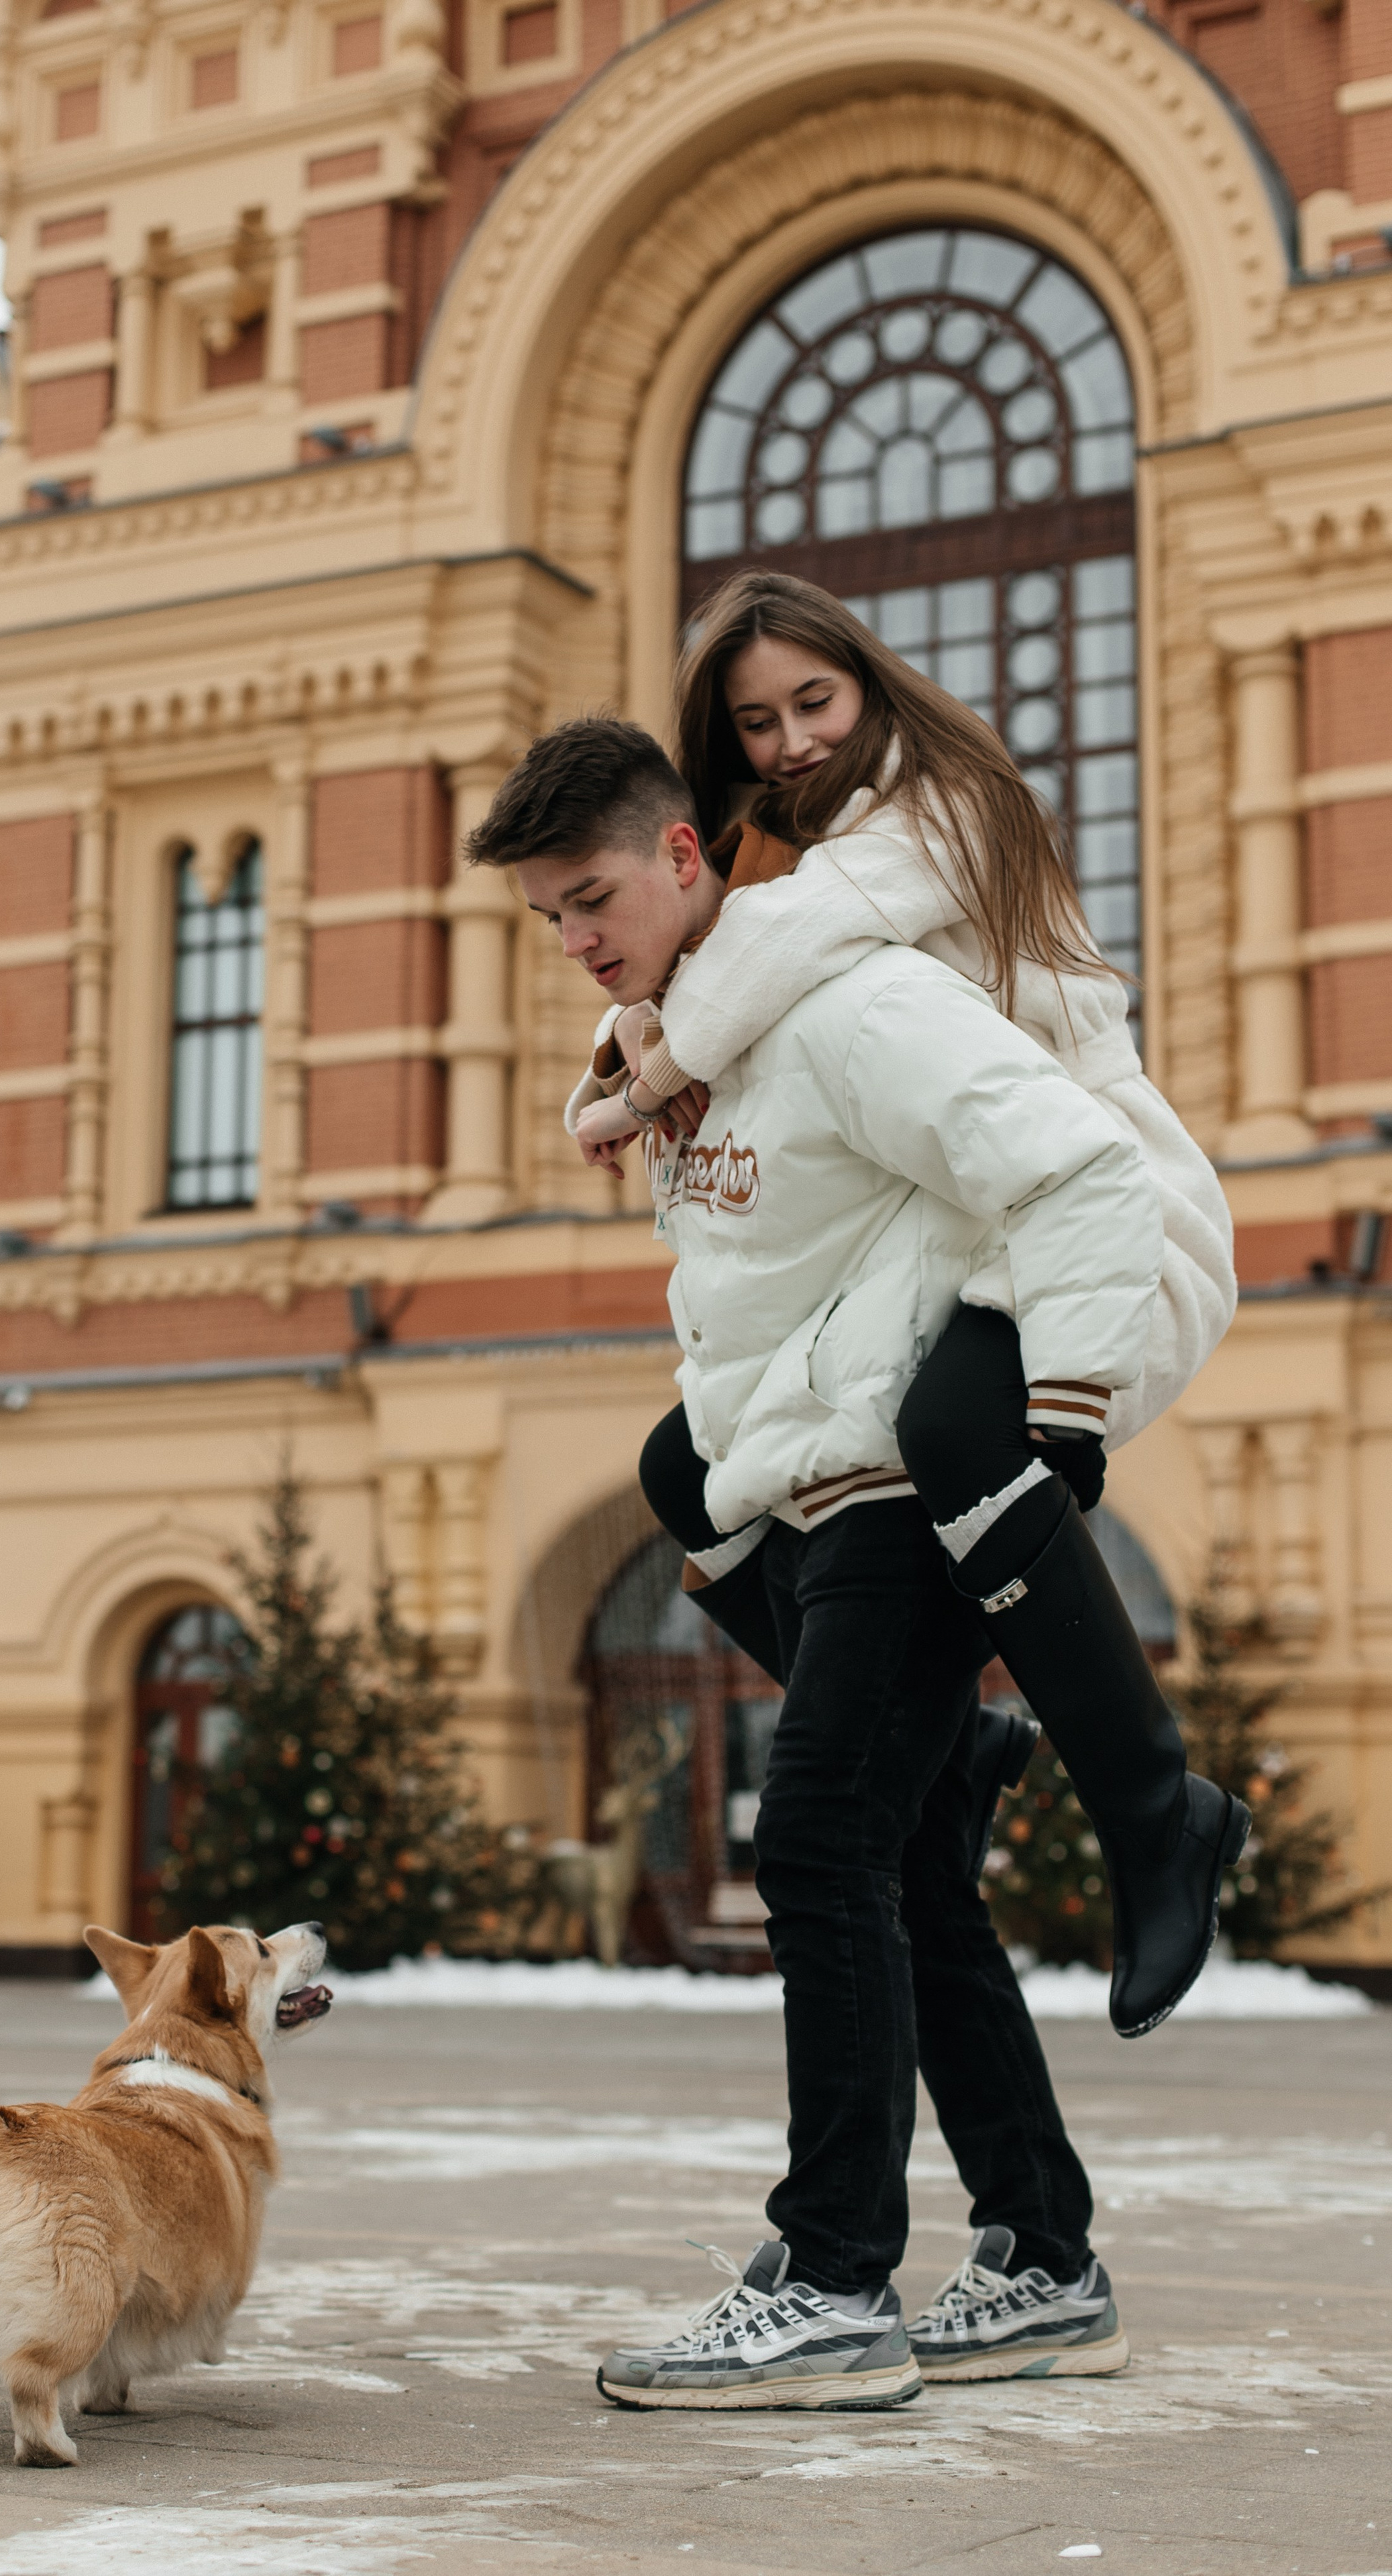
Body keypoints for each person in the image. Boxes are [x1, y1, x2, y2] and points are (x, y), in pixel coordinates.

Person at [466, 716, 1244, 2408]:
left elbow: (1079, 1170)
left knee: (817, 1838)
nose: (575, 938)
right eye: (547, 918)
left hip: (900, 1486)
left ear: (684, 853)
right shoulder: (693, 1052)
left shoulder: (850, 1008)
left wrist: (1055, 1421)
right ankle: (1040, 2257)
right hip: (816, 1484)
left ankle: (829, 2281)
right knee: (902, 1864)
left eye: (592, 897)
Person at [566, 570, 1239, 2043]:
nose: (792, 740)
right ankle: (957, 1747)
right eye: (756, 723)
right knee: (685, 1469)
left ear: (870, 682)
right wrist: (636, 1061)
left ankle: (1154, 1812)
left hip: (1094, 1199)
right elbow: (703, 966)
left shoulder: (943, 813)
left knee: (955, 1432)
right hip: (959, 1230)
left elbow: (764, 957)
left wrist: (643, 1070)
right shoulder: (778, 861)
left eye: (813, 700)